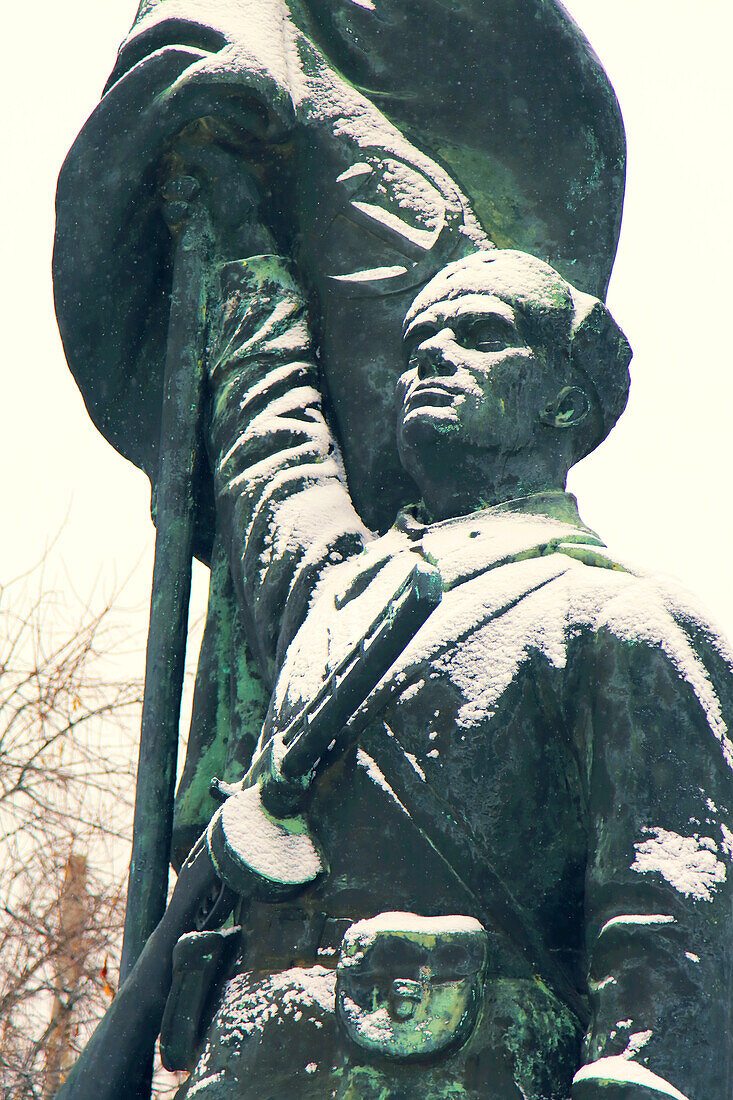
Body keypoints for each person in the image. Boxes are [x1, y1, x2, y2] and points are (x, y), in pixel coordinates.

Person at [162, 249, 731, 1099]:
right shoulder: (332, 601)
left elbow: (673, 917)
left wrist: (641, 1077)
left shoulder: (617, 622)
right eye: (419, 340)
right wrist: (243, 249)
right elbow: (269, 457)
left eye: (481, 335)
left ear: (566, 397)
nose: (432, 353)